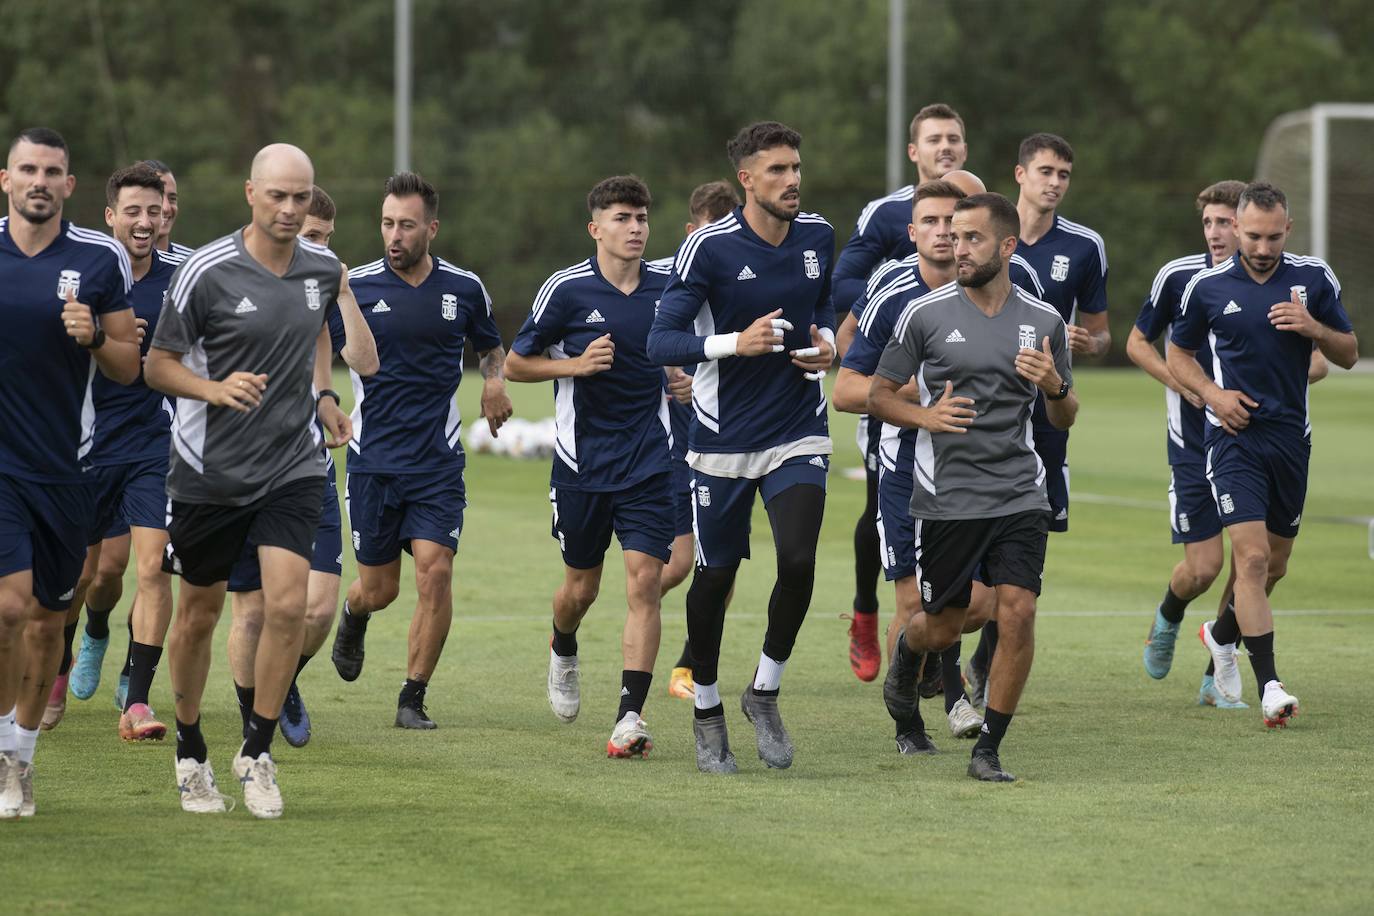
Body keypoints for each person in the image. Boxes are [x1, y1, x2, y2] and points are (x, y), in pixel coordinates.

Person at [145, 143, 375, 818]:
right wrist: (212, 390)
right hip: (209, 471)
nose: (289, 209)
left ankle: (258, 749)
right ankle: (191, 750)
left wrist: (326, 400)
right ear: (251, 193)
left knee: (287, 607)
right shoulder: (206, 272)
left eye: (301, 197)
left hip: (292, 467)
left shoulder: (321, 268)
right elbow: (157, 365)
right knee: (199, 616)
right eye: (277, 196)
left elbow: (316, 343)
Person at [648, 121, 836, 774]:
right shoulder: (709, 250)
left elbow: (829, 309)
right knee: (716, 577)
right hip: (721, 444)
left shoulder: (818, 237)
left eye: (797, 167)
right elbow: (660, 341)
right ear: (746, 181)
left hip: (797, 431)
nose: (793, 180)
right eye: (778, 170)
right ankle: (705, 706)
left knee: (800, 559)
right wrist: (734, 343)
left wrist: (830, 345)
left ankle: (765, 689)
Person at [870, 191, 1076, 782]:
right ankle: (911, 654)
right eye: (954, 237)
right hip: (948, 498)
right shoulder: (925, 314)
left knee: (1018, 611)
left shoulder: (1044, 322)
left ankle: (989, 747)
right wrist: (925, 417)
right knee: (943, 623)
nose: (957, 248)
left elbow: (1064, 417)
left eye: (972, 238)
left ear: (1007, 246)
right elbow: (879, 396)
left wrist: (1056, 387)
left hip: (1019, 492)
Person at [1126, 180, 1326, 704]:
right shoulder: (1182, 279)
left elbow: (1322, 360)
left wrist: (1288, 363)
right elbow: (1140, 343)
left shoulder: (1288, 280)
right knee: (1205, 569)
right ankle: (1170, 617)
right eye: (1211, 223)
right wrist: (1196, 390)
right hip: (1197, 441)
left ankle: (1218, 668)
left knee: (1258, 563)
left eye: (1224, 222)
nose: (1219, 233)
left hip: (1265, 437)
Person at [1167, 182, 1356, 726]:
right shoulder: (1207, 286)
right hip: (1232, 438)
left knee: (1276, 565)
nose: (1263, 246)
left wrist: (1314, 328)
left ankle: (1222, 634)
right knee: (1249, 560)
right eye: (1252, 235)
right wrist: (1212, 395)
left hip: (1290, 441)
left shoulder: (1313, 279)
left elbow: (1347, 353)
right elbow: (1177, 353)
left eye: (1273, 236)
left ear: (1287, 230)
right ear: (1234, 228)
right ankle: (1270, 685)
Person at [833, 179, 1012, 747]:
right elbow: (845, 389)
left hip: (984, 469)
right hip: (909, 468)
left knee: (983, 603)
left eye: (951, 225)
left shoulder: (1008, 284)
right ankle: (909, 725)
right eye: (929, 223)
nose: (943, 235)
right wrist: (910, 398)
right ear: (912, 233)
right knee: (913, 601)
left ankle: (930, 669)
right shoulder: (891, 293)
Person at [328, 172, 510, 730]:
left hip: (437, 463)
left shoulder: (464, 288)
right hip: (373, 463)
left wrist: (494, 382)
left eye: (407, 225)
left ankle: (412, 697)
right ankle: (354, 614)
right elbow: (315, 348)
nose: (395, 235)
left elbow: (491, 347)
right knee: (379, 589)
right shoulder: (353, 287)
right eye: (387, 223)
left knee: (436, 572)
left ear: (431, 227)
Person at [0, 127, 141, 818]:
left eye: (51, 171)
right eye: (27, 168)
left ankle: (21, 759)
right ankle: (2, 753)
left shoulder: (99, 256)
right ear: (6, 179)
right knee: (6, 609)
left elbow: (128, 363)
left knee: (48, 622)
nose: (39, 181)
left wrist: (93, 337)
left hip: (67, 468)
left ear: (68, 185)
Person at [506, 175, 672, 757]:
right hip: (581, 465)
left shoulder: (669, 287)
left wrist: (680, 374)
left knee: (646, 581)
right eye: (623, 218)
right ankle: (563, 644)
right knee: (580, 587)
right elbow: (515, 365)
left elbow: (691, 350)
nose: (635, 228)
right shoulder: (567, 290)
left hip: (651, 459)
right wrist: (573, 366)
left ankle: (630, 716)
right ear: (595, 227)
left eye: (642, 217)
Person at [965, 132, 1109, 705]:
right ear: (1020, 174)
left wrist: (1086, 344)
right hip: (984, 412)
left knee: (1026, 540)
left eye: (1064, 174)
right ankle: (949, 655)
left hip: (1046, 413)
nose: (1055, 183)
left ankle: (983, 662)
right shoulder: (983, 234)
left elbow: (1102, 333)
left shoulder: (1085, 246)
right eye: (1046, 171)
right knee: (972, 542)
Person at [225, 185, 370, 747]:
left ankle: (280, 680)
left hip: (306, 466)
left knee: (315, 612)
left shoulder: (320, 287)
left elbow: (353, 358)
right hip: (240, 469)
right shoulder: (228, 275)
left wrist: (327, 397)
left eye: (327, 240)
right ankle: (251, 720)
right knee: (254, 613)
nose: (321, 249)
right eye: (312, 237)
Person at [831, 104, 969, 681]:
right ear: (913, 151)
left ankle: (952, 667)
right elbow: (845, 282)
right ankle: (870, 614)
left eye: (954, 139)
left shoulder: (983, 224)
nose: (945, 147)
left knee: (995, 590)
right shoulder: (886, 219)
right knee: (883, 515)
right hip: (896, 404)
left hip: (982, 443)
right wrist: (893, 339)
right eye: (934, 139)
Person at [656, 180, 741, 703]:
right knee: (679, 564)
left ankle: (688, 665)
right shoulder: (671, 274)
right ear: (692, 232)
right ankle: (640, 606)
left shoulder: (752, 274)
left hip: (733, 438)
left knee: (723, 560)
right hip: (678, 442)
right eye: (714, 232)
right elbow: (654, 335)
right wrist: (673, 375)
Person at [140, 159, 194, 256]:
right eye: (157, 197)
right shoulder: (110, 261)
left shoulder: (191, 263)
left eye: (172, 198)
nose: (166, 208)